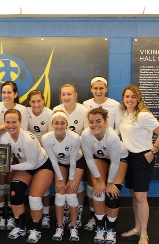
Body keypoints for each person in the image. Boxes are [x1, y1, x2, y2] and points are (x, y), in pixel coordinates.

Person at [119, 85, 159, 244]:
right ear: (123, 98)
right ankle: (137, 227)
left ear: (138, 98)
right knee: (134, 195)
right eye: (127, 96)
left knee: (140, 197)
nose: (130, 99)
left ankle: (144, 234)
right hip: (128, 158)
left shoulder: (144, 115)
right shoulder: (125, 113)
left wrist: (153, 151)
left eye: (133, 96)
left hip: (142, 158)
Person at [1, 109, 54, 243]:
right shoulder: (4, 138)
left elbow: (31, 164)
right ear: (4, 123)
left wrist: (9, 168)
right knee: (14, 193)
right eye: (8, 122)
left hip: (41, 167)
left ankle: (36, 229)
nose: (11, 125)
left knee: (34, 198)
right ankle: (20, 226)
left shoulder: (28, 139)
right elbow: (3, 160)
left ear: (20, 122)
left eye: (14, 122)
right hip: (23, 167)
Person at [81, 107, 129, 244]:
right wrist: (100, 181)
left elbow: (114, 163)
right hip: (100, 158)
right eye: (91, 122)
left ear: (106, 122)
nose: (94, 124)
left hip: (119, 158)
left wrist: (109, 183)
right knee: (98, 191)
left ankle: (111, 229)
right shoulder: (85, 135)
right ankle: (100, 227)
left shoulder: (112, 136)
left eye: (98, 121)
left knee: (112, 194)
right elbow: (89, 159)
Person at [0, 81, 29, 230]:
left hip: (17, 149)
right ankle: (0, 213)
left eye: (9, 92)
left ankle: (11, 213)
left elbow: (25, 131)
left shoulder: (23, 109)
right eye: (4, 92)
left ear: (15, 94)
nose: (6, 95)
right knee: (1, 183)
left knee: (12, 182)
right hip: (0, 150)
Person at [82, 76, 122, 231]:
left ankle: (110, 226)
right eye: (95, 88)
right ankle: (96, 219)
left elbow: (117, 128)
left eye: (101, 88)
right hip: (96, 152)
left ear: (106, 89)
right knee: (96, 187)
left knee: (111, 189)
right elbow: (89, 127)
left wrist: (104, 140)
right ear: (91, 89)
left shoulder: (114, 105)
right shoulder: (86, 105)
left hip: (112, 151)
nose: (98, 91)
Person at [42, 110, 84, 242]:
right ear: (52, 124)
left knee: (71, 192)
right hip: (60, 162)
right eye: (56, 123)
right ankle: (59, 226)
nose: (59, 126)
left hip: (76, 162)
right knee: (60, 192)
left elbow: (72, 160)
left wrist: (71, 179)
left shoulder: (74, 138)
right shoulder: (46, 138)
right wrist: (60, 179)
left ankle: (73, 226)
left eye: (62, 123)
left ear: (67, 124)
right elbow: (53, 159)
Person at [53, 83, 89, 228]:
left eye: (69, 94)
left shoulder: (84, 111)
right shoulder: (56, 110)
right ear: (60, 96)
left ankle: (78, 212)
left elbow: (86, 134)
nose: (66, 97)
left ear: (75, 95)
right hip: (61, 154)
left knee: (76, 185)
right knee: (62, 185)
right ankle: (67, 210)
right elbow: (55, 132)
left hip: (78, 152)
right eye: (63, 94)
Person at [26, 90, 53, 229]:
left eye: (39, 101)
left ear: (43, 100)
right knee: (34, 187)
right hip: (29, 152)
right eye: (33, 101)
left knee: (45, 187)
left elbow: (49, 137)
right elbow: (23, 133)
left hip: (45, 152)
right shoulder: (26, 112)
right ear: (29, 103)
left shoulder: (49, 113)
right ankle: (36, 214)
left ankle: (46, 215)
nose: (36, 104)